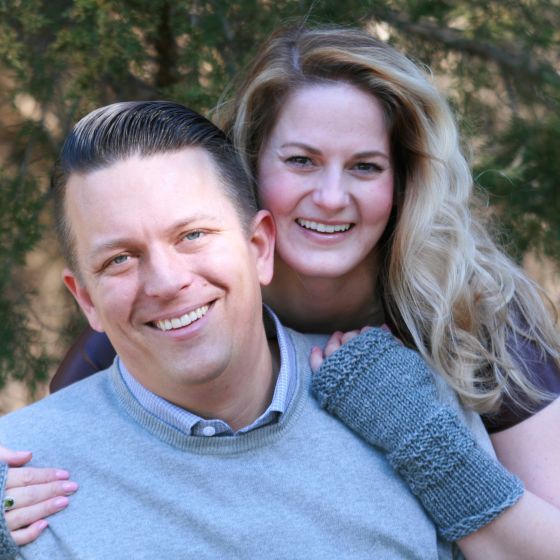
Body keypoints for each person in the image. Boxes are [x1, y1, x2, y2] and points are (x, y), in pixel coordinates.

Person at [3, 25, 560, 557]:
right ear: (251, 170)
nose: (331, 197)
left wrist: (427, 446)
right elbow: (72, 438)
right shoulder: (150, 318)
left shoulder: (468, 315)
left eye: (366, 167)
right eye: (301, 160)